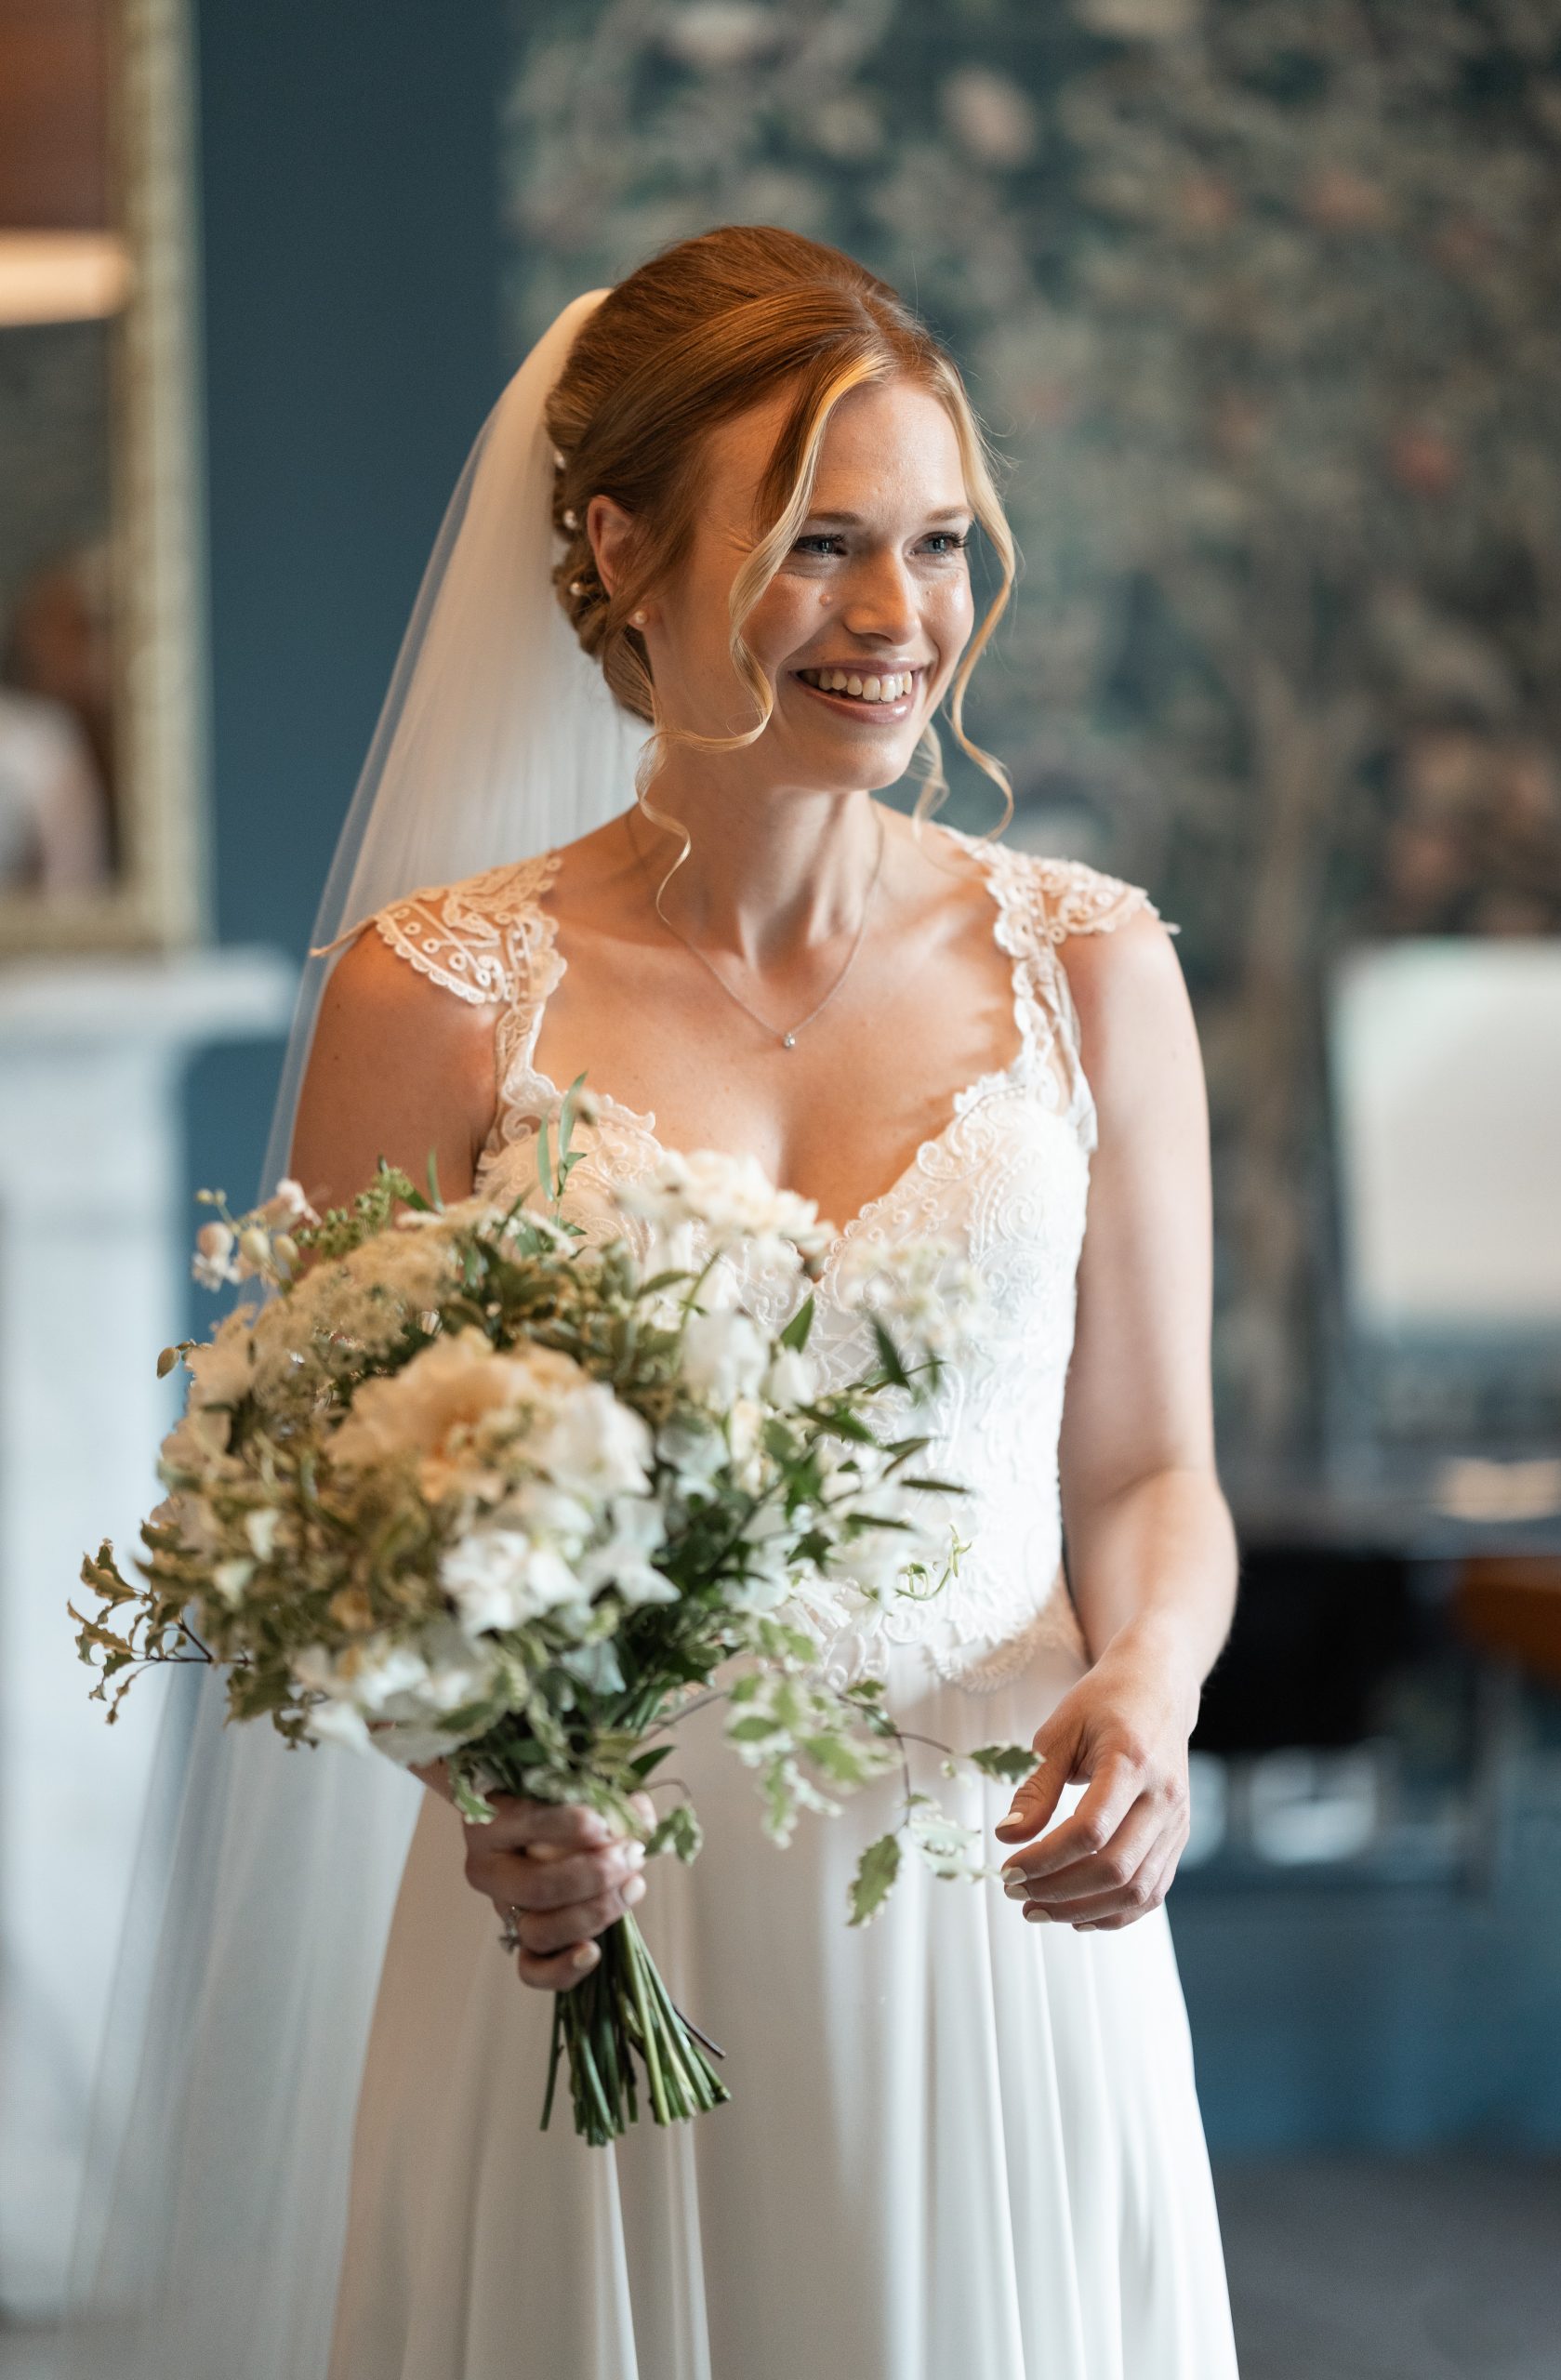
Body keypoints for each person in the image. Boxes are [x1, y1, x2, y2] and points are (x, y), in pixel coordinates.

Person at [64, 227, 1240, 2379]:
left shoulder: (1091, 967)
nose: (897, 616)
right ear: (622, 550)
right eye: (815, 544)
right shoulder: (436, 997)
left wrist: (1147, 1686)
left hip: (982, 1915)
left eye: (935, 542)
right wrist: (482, 1780)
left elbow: (1152, 1462)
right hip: (593, 1918)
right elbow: (334, 1513)